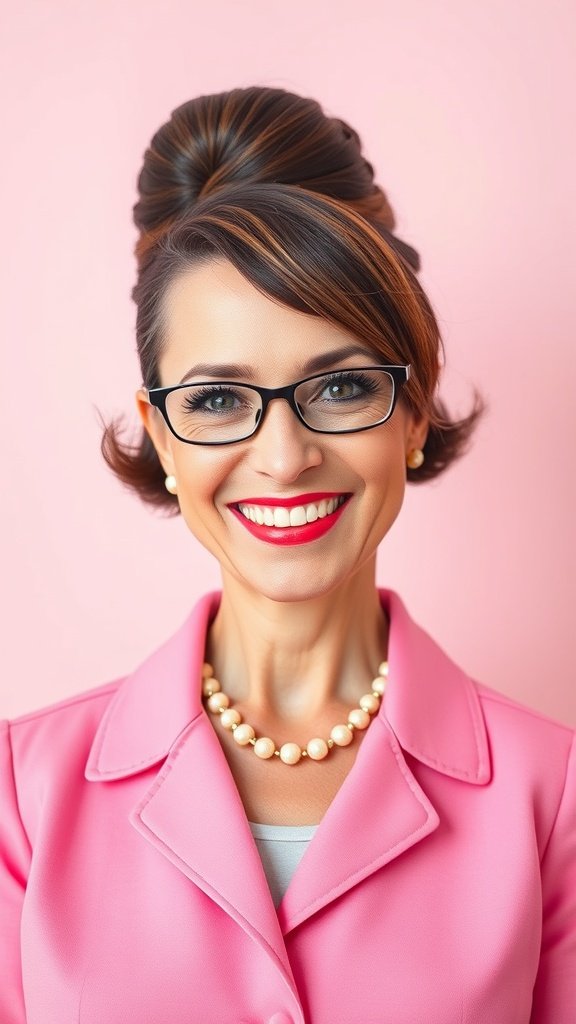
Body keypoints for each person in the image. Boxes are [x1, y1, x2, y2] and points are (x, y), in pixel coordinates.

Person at [1, 87, 574, 1024]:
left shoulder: (555, 800)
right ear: (163, 437)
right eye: (220, 400)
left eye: (342, 386)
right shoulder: (19, 797)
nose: (283, 456)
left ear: (415, 412)